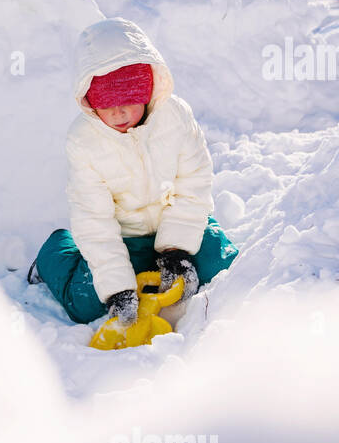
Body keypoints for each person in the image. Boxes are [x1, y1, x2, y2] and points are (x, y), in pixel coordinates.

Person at [28, 18, 239, 329]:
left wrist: (177, 250)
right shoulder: (84, 141)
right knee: (86, 304)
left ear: (148, 89)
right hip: (126, 238)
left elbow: (193, 184)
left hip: (176, 222)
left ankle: (181, 247)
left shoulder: (176, 118)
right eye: (106, 103)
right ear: (89, 100)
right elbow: (94, 218)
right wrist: (118, 288)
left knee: (220, 265)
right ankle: (54, 253)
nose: (119, 113)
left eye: (129, 99)